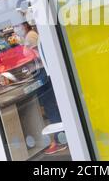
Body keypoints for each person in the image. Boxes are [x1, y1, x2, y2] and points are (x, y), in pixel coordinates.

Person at [15, 22, 67, 155]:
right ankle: (60, 138)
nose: (16, 29)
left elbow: (37, 56)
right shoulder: (29, 36)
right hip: (40, 73)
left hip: (42, 73)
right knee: (50, 105)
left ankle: (60, 140)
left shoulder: (30, 36)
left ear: (24, 26)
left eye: (17, 26)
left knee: (50, 105)